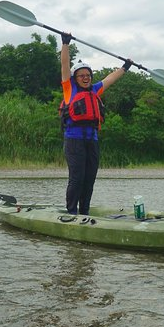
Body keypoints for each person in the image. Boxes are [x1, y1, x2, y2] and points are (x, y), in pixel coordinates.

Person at [60, 33, 131, 215]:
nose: (85, 77)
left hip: (92, 140)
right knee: (77, 178)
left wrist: (125, 67)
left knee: (89, 179)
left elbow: (110, 79)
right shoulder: (70, 89)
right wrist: (65, 43)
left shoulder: (95, 90)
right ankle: (71, 213)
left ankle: (84, 212)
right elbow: (65, 66)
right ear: (75, 78)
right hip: (74, 141)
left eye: (88, 75)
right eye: (81, 75)